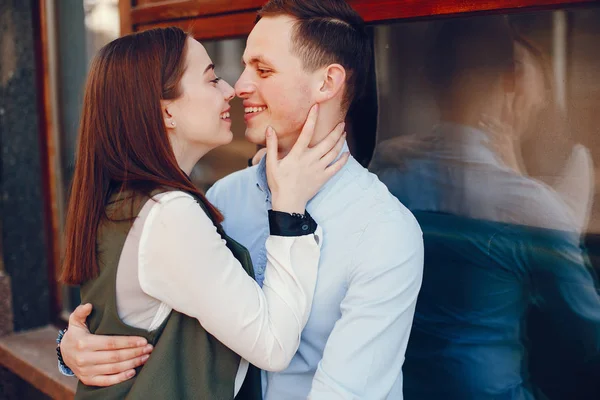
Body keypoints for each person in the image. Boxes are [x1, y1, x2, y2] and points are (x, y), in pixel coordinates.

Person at [59, 1, 424, 399]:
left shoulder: (384, 231)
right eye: (242, 67)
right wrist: (73, 344)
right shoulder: (221, 199)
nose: (240, 85)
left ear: (327, 82)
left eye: (263, 70)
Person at [370, 17, 600, 399]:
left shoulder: (384, 182)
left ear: (427, 77)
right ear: (511, 81)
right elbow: (589, 330)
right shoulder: (529, 205)